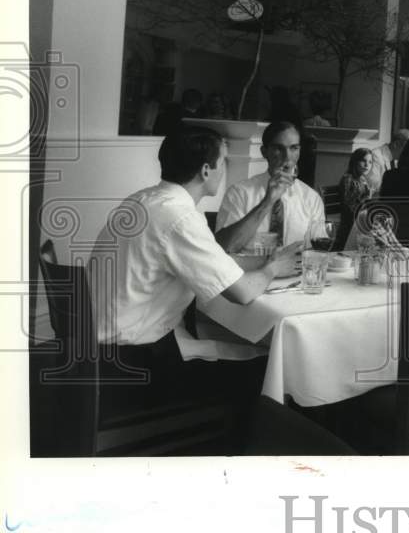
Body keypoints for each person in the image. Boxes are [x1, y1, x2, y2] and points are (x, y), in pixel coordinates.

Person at [87, 126, 296, 416]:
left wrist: (262, 263)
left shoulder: (142, 200)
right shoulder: (180, 218)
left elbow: (210, 259)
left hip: (98, 350)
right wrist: (273, 268)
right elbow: (244, 294)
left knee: (243, 351)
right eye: (223, 162)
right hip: (134, 365)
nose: (224, 170)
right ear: (206, 171)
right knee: (267, 365)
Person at [215, 121, 325, 252]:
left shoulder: (311, 198)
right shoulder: (239, 193)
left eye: (294, 148)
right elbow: (224, 248)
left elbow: (319, 251)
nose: (287, 157)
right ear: (264, 152)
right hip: (250, 270)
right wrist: (268, 202)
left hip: (295, 270)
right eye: (279, 148)